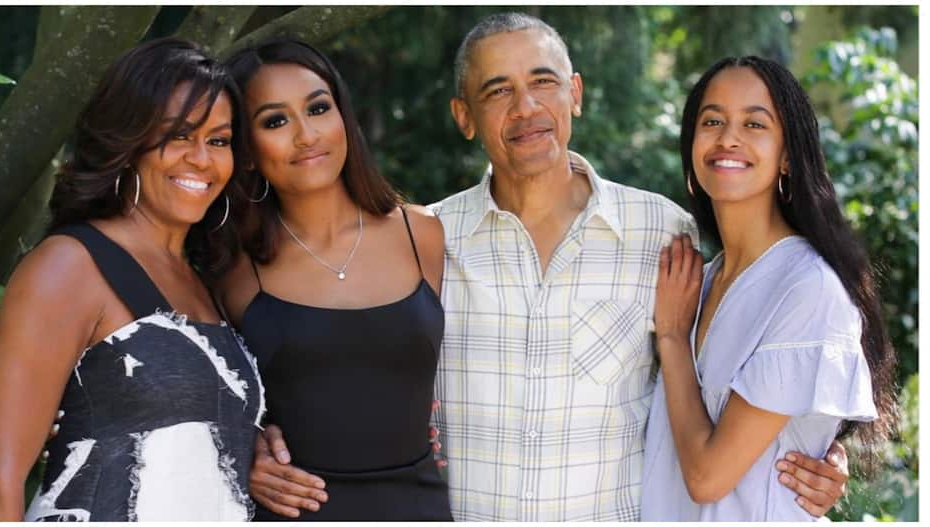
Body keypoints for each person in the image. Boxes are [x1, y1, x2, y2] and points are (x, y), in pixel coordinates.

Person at [249, 13, 851, 521]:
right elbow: (333, 357)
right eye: (497, 90)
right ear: (464, 116)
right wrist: (253, 436)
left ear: (577, 95)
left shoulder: (667, 236)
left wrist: (824, 446)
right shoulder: (422, 240)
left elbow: (735, 365)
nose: (526, 107)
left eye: (543, 82)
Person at [0, 38, 265, 521]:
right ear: (129, 143)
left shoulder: (205, 277)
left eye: (219, 141)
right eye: (179, 136)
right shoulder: (69, 266)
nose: (202, 160)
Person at [641, 56, 897, 521]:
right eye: (712, 120)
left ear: (786, 154)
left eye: (754, 123)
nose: (728, 138)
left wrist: (674, 340)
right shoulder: (697, 281)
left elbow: (707, 478)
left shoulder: (806, 287)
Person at [218, 40, 450, 521]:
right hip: (293, 511)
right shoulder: (231, 270)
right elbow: (200, 394)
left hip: (417, 508)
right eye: (275, 121)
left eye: (318, 108)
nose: (306, 135)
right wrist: (247, 448)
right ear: (245, 150)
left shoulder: (423, 234)